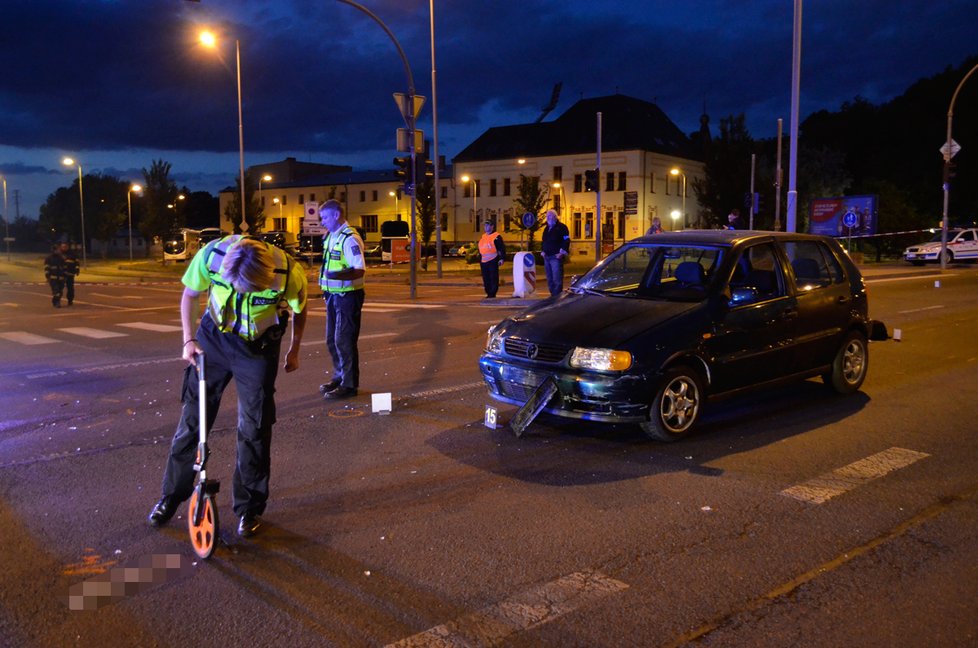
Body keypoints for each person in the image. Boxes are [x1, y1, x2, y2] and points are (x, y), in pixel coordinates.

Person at [148, 235, 308, 538]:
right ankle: (171, 496)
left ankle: (249, 508)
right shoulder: (211, 255)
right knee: (192, 423)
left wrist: (294, 349)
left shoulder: (289, 273)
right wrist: (188, 339)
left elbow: (300, 310)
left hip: (258, 349)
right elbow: (190, 294)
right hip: (214, 342)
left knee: (255, 428)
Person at [318, 199, 366, 400]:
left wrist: (334, 276)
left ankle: (349, 385)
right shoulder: (331, 237)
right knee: (332, 339)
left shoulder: (350, 239)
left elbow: (359, 270)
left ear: (336, 215)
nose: (322, 222)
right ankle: (339, 377)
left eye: (325, 217)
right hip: (333, 296)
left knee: (344, 340)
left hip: (348, 297)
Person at [541, 209, 570, 296]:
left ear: (555, 217)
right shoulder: (547, 228)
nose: (548, 218)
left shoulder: (562, 227)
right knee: (549, 278)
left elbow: (566, 240)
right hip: (547, 256)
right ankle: (552, 295)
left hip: (556, 257)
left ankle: (557, 296)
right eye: (547, 216)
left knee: (556, 278)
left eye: (550, 216)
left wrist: (562, 252)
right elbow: (543, 240)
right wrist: (542, 250)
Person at [477, 219, 505, 298]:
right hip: (484, 261)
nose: (486, 227)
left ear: (492, 226)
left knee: (493, 277)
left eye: (487, 225)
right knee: (486, 278)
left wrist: (501, 258)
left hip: (493, 259)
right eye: (485, 225)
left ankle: (492, 293)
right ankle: (488, 292)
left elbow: (501, 248)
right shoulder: (483, 236)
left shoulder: (496, 237)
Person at [43, 243, 66, 308]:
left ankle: (55, 301)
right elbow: (46, 268)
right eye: (57, 250)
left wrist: (65, 276)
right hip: (53, 279)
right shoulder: (49, 258)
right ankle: (57, 303)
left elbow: (64, 267)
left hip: (61, 278)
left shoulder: (61, 258)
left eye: (58, 250)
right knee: (56, 291)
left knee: (60, 292)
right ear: (53, 250)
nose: (58, 251)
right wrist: (47, 276)